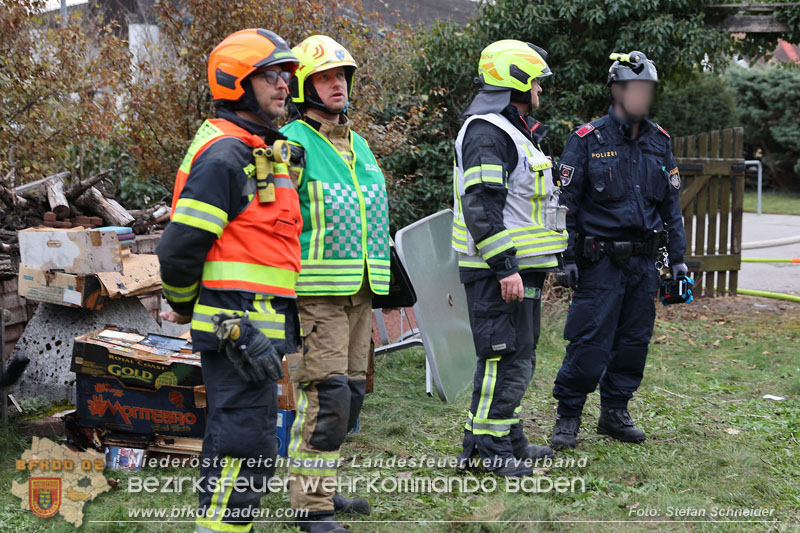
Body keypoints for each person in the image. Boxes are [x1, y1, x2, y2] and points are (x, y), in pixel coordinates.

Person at [156, 29, 303, 533]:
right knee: (242, 446)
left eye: (285, 74)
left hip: (252, 329)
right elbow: (178, 248)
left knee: (251, 445)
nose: (284, 84)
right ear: (236, 83)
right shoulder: (227, 157)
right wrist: (183, 305)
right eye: (270, 75)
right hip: (235, 328)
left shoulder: (255, 149)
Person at [550, 51, 688, 449]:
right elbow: (565, 205)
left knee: (633, 342)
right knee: (589, 341)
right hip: (599, 263)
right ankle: (569, 416)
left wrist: (677, 260)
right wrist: (567, 258)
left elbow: (671, 208)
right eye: (634, 89)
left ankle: (615, 412)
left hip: (644, 263)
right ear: (616, 91)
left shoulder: (659, 142)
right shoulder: (587, 140)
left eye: (647, 90)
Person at [280, 35, 390, 532]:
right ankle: (310, 507)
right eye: (325, 77)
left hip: (360, 293)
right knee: (327, 399)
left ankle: (322, 484)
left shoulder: (359, 145)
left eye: (342, 76)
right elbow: (271, 219)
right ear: (304, 85)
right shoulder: (288, 144)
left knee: (353, 397)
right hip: (316, 296)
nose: (337, 84)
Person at [452, 40, 568, 477]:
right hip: (497, 272)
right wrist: (506, 267)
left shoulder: (512, 129)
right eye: (535, 79)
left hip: (519, 269)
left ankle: (505, 434)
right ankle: (491, 447)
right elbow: (481, 205)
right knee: (503, 356)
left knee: (518, 355)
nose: (539, 88)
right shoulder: (487, 132)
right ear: (516, 79)